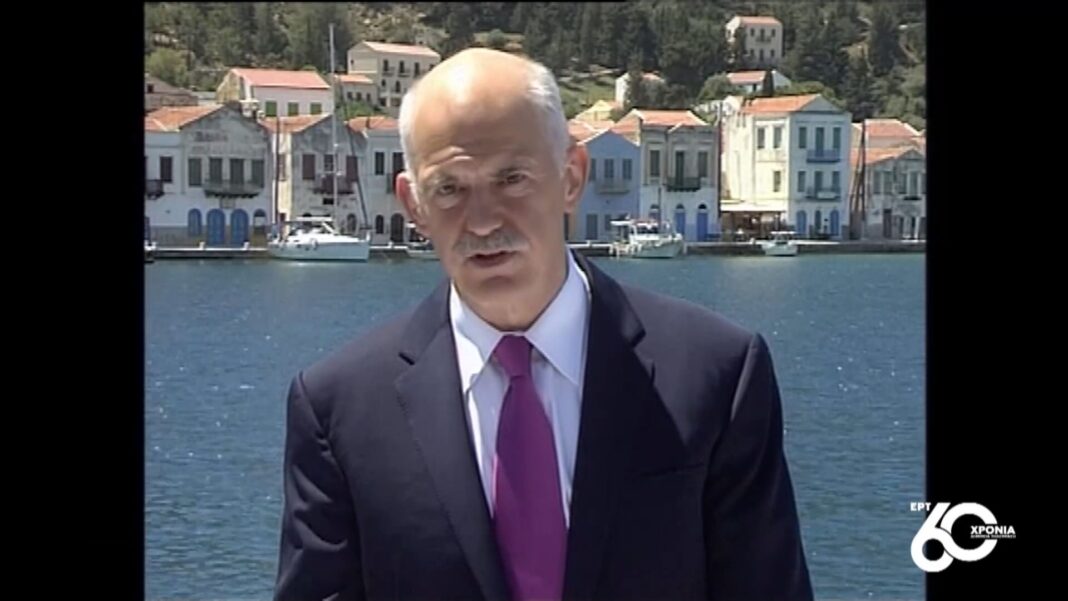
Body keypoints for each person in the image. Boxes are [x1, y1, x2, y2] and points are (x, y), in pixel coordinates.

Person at [274, 48, 813, 601]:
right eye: (450, 188)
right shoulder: (339, 411)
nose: (483, 221)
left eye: (511, 178)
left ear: (571, 177)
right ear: (414, 205)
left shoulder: (717, 375)